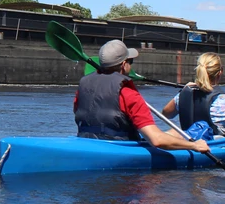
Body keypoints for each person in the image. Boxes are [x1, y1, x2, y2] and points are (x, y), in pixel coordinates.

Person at [75, 39, 211, 154]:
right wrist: (194, 145)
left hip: (86, 141)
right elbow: (157, 140)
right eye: (130, 62)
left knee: (175, 132)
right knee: (200, 128)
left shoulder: (83, 85)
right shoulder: (128, 92)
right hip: (121, 147)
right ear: (124, 65)